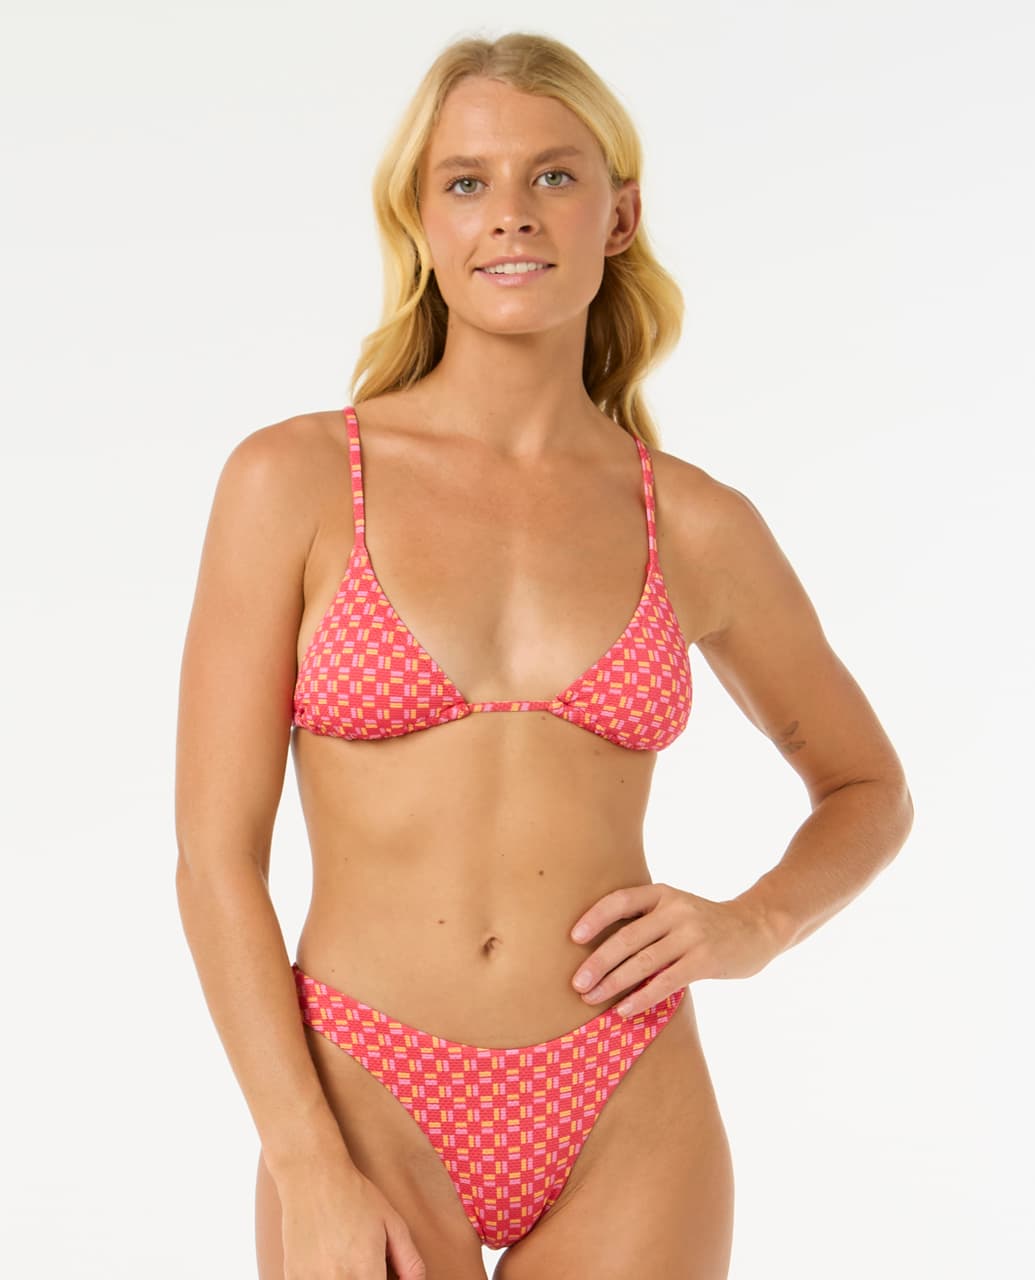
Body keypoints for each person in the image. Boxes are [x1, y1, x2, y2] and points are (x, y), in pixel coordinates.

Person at [174, 31, 914, 1280]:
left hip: (628, 1091)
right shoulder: (293, 479)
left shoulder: (694, 522)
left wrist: (756, 922)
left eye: (554, 176)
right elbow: (214, 860)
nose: (510, 213)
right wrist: (304, 1158)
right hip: (364, 1086)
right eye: (466, 181)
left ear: (620, 215)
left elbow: (869, 786)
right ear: (421, 219)